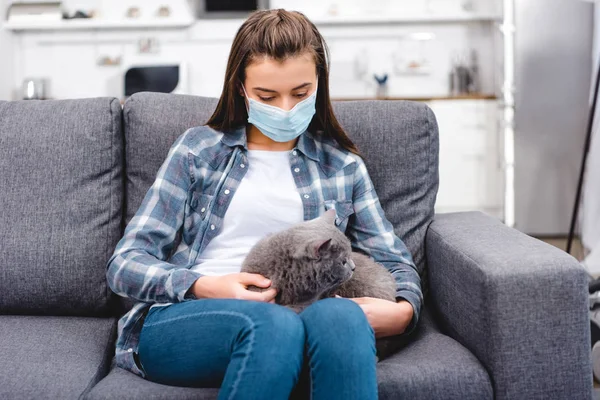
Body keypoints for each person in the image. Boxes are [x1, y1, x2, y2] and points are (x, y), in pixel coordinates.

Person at [106, 8, 422, 400]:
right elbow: (125, 264)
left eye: (301, 93)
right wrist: (205, 286)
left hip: (308, 318)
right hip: (190, 319)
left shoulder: (343, 167)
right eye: (267, 96)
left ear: (320, 84)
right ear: (240, 88)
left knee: (341, 317)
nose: (286, 108)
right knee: (274, 324)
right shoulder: (197, 151)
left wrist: (404, 312)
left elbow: (394, 260)